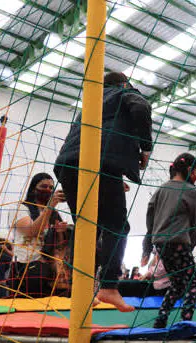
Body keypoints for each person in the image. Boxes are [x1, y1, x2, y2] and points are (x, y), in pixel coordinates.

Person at [55, 72, 152, 312]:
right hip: (99, 161)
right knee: (117, 226)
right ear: (125, 83)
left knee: (87, 226)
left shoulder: (91, 102)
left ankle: (82, 288)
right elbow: (142, 107)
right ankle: (108, 286)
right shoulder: (124, 92)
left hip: (67, 164)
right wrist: (145, 147)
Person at [142, 153, 196, 328]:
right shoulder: (191, 191)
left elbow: (150, 218)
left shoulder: (161, 189)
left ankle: (161, 319)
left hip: (160, 243)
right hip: (179, 241)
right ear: (188, 170)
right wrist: (190, 245)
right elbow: (195, 223)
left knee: (177, 283)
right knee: (193, 282)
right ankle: (186, 321)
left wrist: (148, 245)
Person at [8, 173, 68, 298]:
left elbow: (60, 244)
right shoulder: (21, 209)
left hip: (50, 268)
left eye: (51, 188)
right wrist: (50, 206)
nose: (48, 190)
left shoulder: (53, 213)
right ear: (33, 188)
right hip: (26, 267)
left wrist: (60, 231)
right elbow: (31, 231)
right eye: (44, 186)